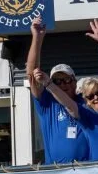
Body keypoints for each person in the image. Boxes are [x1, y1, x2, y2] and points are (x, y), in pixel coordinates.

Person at [25, 15, 89, 164]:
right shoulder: (48, 104)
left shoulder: (86, 101)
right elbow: (32, 74)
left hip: (86, 171)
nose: (62, 85)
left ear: (74, 82)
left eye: (66, 80)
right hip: (56, 173)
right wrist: (37, 38)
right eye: (57, 81)